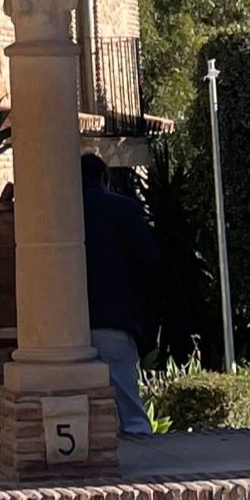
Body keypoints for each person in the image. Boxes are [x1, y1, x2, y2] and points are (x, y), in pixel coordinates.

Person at [82, 152, 165, 440]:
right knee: (128, 402)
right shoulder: (125, 210)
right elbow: (149, 264)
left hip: (64, 327)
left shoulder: (58, 212)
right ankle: (140, 452)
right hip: (115, 318)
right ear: (104, 179)